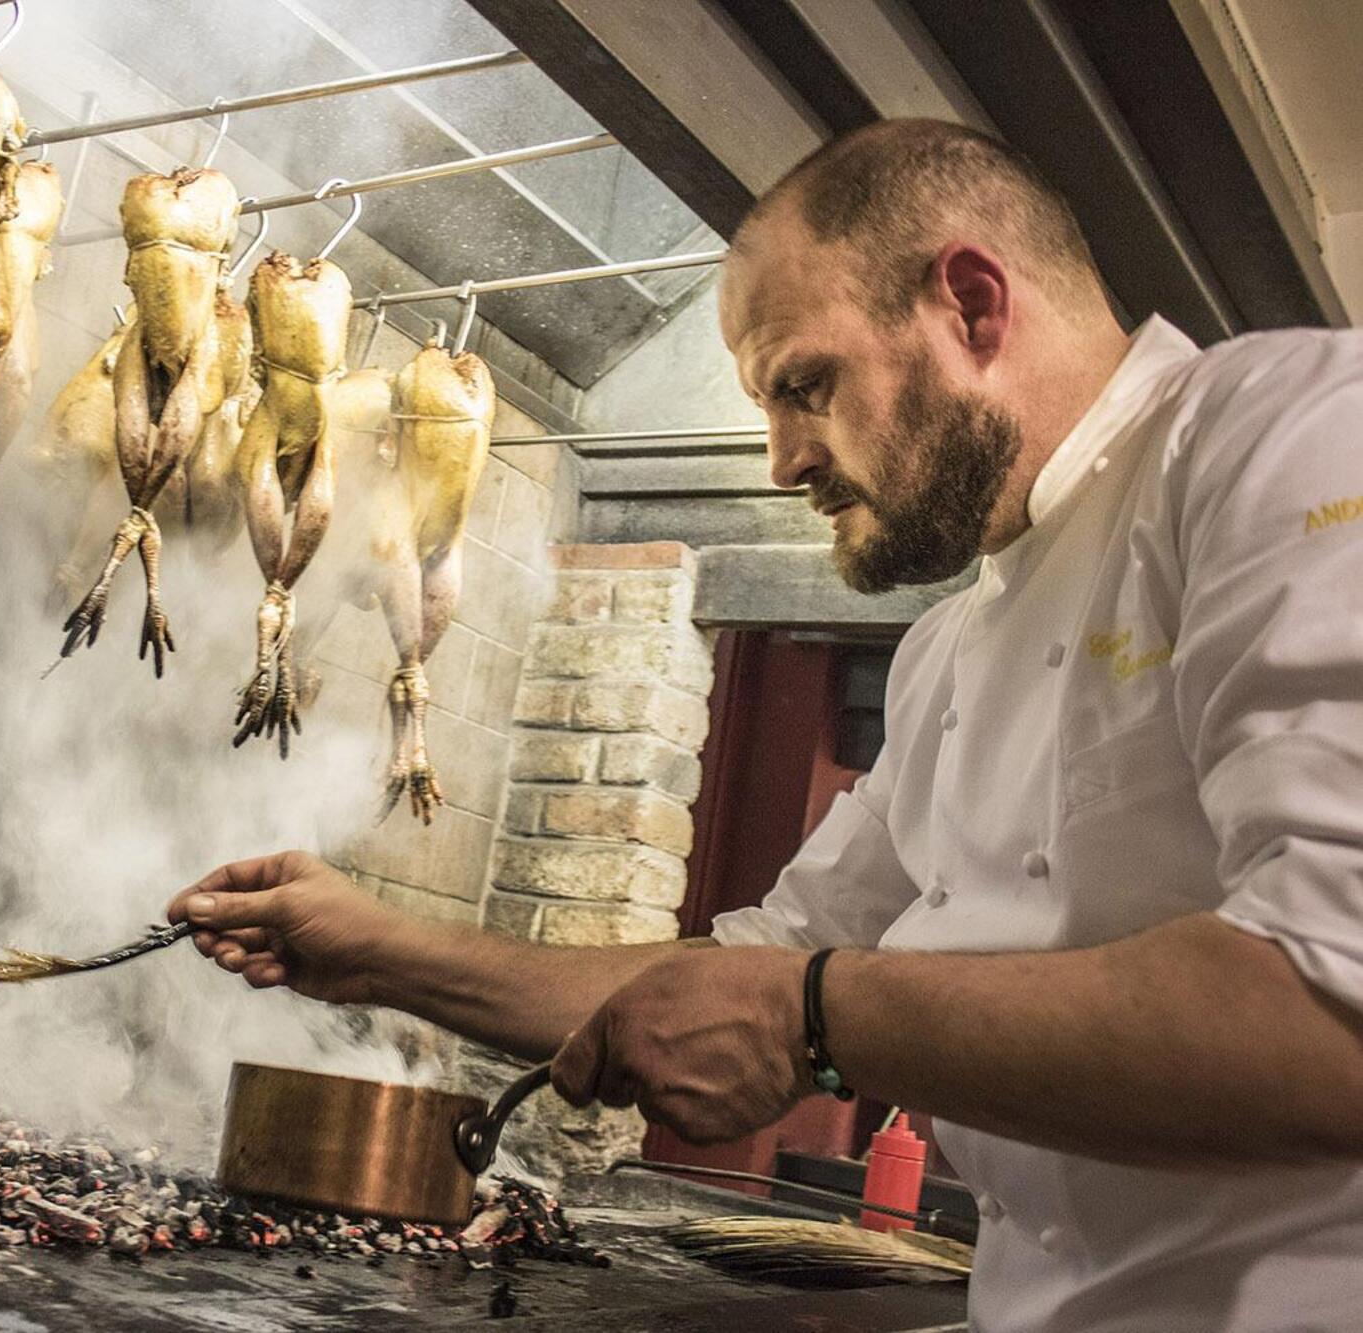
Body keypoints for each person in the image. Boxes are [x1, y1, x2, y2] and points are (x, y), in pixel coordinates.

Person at [166, 118, 1363, 1331]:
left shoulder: (1286, 432)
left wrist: (814, 1015)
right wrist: (370, 950)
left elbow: (1332, 1010)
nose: (785, 459)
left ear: (971, 304)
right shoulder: (949, 656)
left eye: (802, 383)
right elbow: (741, 973)